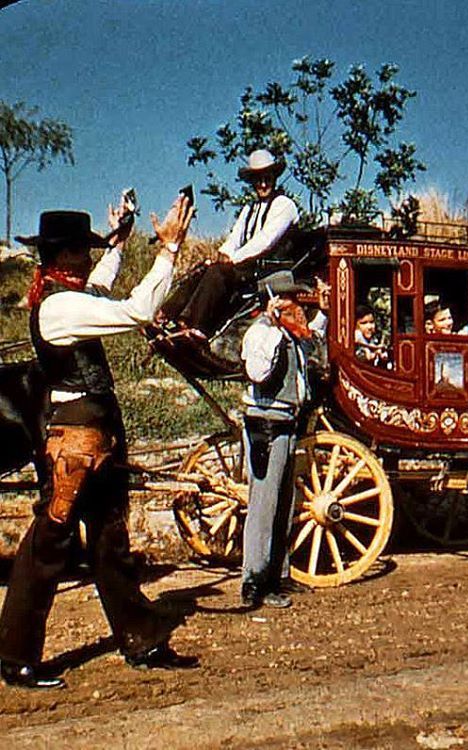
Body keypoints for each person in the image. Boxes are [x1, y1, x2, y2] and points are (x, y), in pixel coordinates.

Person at [0, 195, 197, 690]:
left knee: (109, 539)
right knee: (50, 542)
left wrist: (119, 244)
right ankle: (15, 655)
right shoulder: (61, 307)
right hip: (76, 440)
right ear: (64, 255)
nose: (89, 259)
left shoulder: (66, 295)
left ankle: (141, 637)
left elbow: (100, 287)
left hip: (94, 435)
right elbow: (136, 311)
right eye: (82, 251)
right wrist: (169, 251)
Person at [239, 270, 314, 610]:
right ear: (274, 301)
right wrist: (269, 325)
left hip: (286, 423)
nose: (297, 305)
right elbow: (257, 372)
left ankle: (277, 574)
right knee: (264, 507)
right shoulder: (261, 333)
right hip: (266, 427)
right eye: (291, 299)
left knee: (283, 505)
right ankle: (254, 581)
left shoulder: (288, 335)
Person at [175, 149, 299, 338]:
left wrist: (232, 259)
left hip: (268, 269)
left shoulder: (284, 205)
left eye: (267, 178)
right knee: (203, 269)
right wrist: (223, 253)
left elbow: (265, 241)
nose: (263, 184)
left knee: (217, 273)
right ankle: (167, 316)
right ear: (252, 182)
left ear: (274, 177)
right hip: (246, 266)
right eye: (258, 179)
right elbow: (235, 237)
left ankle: (197, 327)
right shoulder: (249, 209)